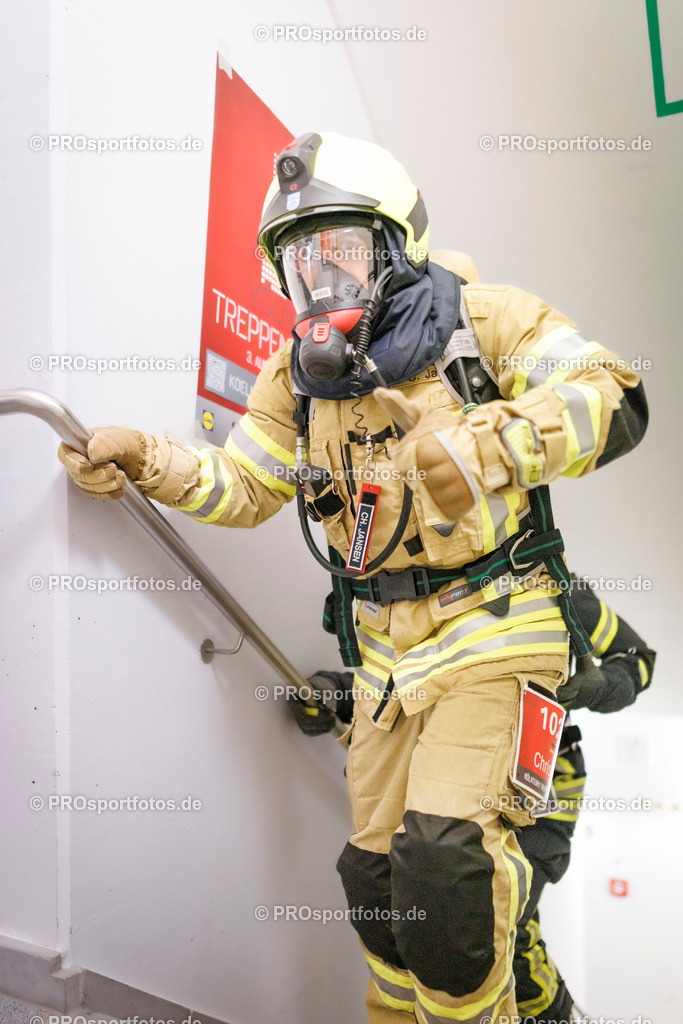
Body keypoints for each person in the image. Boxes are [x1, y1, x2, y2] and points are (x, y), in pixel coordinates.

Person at [58, 133, 648, 1024]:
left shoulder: (485, 319)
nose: (320, 281)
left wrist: (489, 446)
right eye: (300, 264)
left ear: (393, 246)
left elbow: (611, 392)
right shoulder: (294, 383)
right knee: (374, 879)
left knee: (444, 870)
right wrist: (145, 458)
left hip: (496, 628)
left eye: (339, 252)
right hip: (383, 661)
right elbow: (247, 485)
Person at [293, 577, 656, 1024]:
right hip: (459, 762)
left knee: (502, 920)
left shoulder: (553, 587)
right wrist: (336, 691)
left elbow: (640, 661)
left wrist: (598, 686)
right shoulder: (415, 584)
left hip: (544, 783)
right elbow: (415, 680)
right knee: (401, 891)